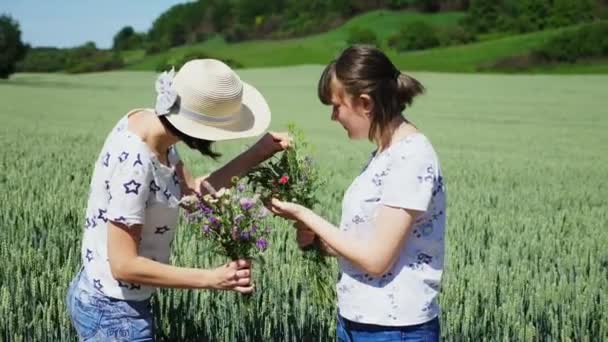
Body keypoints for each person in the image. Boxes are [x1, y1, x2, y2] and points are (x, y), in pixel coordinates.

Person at [66, 59, 289, 341]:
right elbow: (124, 265)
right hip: (114, 314)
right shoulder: (136, 162)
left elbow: (192, 193)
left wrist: (260, 152)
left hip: (106, 298)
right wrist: (212, 279)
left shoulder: (150, 125)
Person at [270, 45, 446, 341]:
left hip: (393, 329)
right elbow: (366, 244)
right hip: (361, 320)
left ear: (365, 103)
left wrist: (305, 215)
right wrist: (317, 242)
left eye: (336, 106)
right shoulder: (385, 154)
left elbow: (377, 261)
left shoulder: (411, 158)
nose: (333, 117)